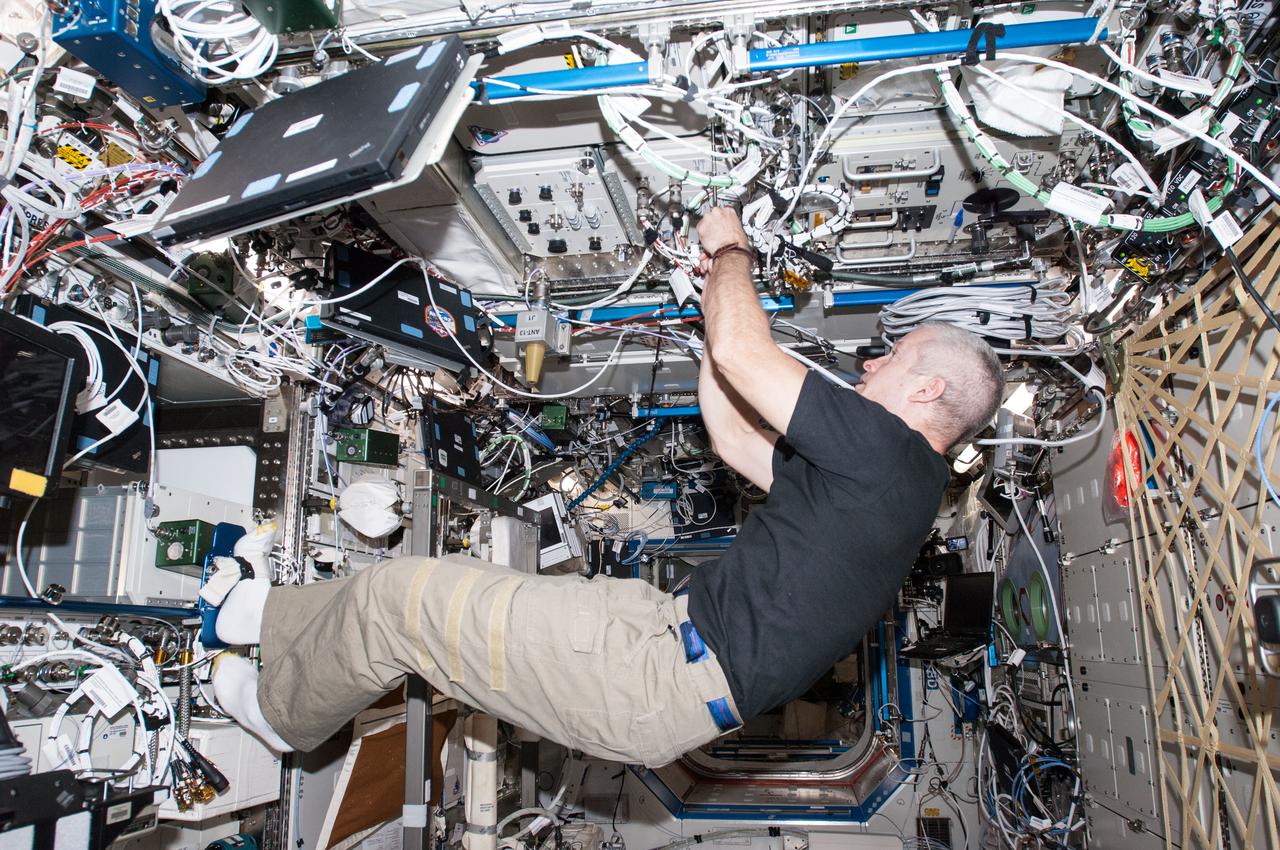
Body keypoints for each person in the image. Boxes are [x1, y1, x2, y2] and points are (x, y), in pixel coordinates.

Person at [210, 208, 1004, 766]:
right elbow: (734, 436)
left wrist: (732, 255)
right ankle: (267, 620)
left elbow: (749, 356)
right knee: (422, 592)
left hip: (656, 679)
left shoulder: (890, 454)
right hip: (660, 637)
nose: (871, 364)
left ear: (928, 393)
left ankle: (283, 718)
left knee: (400, 606)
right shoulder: (885, 488)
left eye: (892, 360)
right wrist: (704, 323)